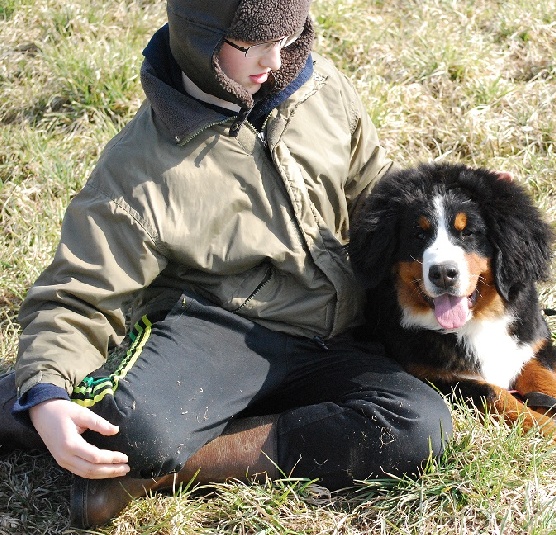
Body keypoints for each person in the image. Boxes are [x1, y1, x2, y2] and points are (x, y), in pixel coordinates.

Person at [0, 0, 452, 528]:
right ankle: (20, 404)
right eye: (250, 44)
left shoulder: (321, 89)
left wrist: (451, 217)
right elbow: (79, 293)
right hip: (219, 330)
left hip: (337, 331)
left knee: (420, 428)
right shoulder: (138, 167)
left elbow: (376, 193)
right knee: (130, 428)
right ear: (200, 39)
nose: (274, 59)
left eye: (285, 38)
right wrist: (46, 392)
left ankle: (160, 471)